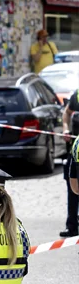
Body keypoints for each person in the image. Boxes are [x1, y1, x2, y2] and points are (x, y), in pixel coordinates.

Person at [62, 93, 79, 237]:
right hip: (75, 151)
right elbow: (66, 113)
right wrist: (65, 128)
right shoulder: (77, 95)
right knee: (72, 189)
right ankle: (72, 226)